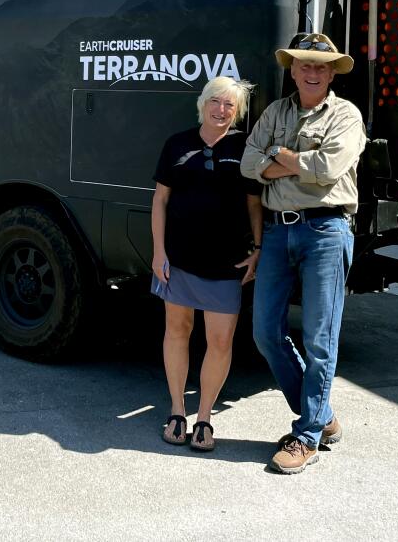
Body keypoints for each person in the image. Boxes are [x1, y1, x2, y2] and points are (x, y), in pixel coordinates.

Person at [240, 32, 366, 475]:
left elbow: (329, 168)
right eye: (304, 64)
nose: (312, 72)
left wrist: (276, 158)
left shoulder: (346, 115)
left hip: (326, 230)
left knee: (319, 337)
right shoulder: (276, 111)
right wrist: (296, 159)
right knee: (264, 333)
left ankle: (307, 433)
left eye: (321, 65)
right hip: (278, 233)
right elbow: (247, 163)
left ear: (332, 73)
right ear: (292, 70)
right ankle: (322, 413)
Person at [151, 76, 263, 453]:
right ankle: (177, 411)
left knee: (219, 340)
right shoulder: (177, 144)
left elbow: (252, 203)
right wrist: (158, 252)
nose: (221, 110)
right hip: (179, 258)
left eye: (230, 105)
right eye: (215, 102)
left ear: (238, 111)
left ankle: (204, 418)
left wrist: (258, 248)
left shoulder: (244, 147)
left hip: (225, 262)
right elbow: (160, 201)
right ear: (203, 104)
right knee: (177, 330)